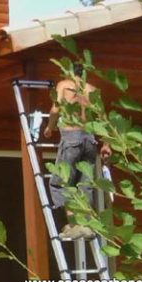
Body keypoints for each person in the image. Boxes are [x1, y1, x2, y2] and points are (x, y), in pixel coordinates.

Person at [43, 63, 111, 240]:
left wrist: (49, 127)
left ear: (69, 72)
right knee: (84, 184)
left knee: (61, 183)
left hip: (71, 137)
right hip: (90, 140)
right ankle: (86, 225)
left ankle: (75, 225)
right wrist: (106, 145)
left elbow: (55, 109)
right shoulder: (92, 90)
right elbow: (103, 119)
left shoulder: (64, 85)